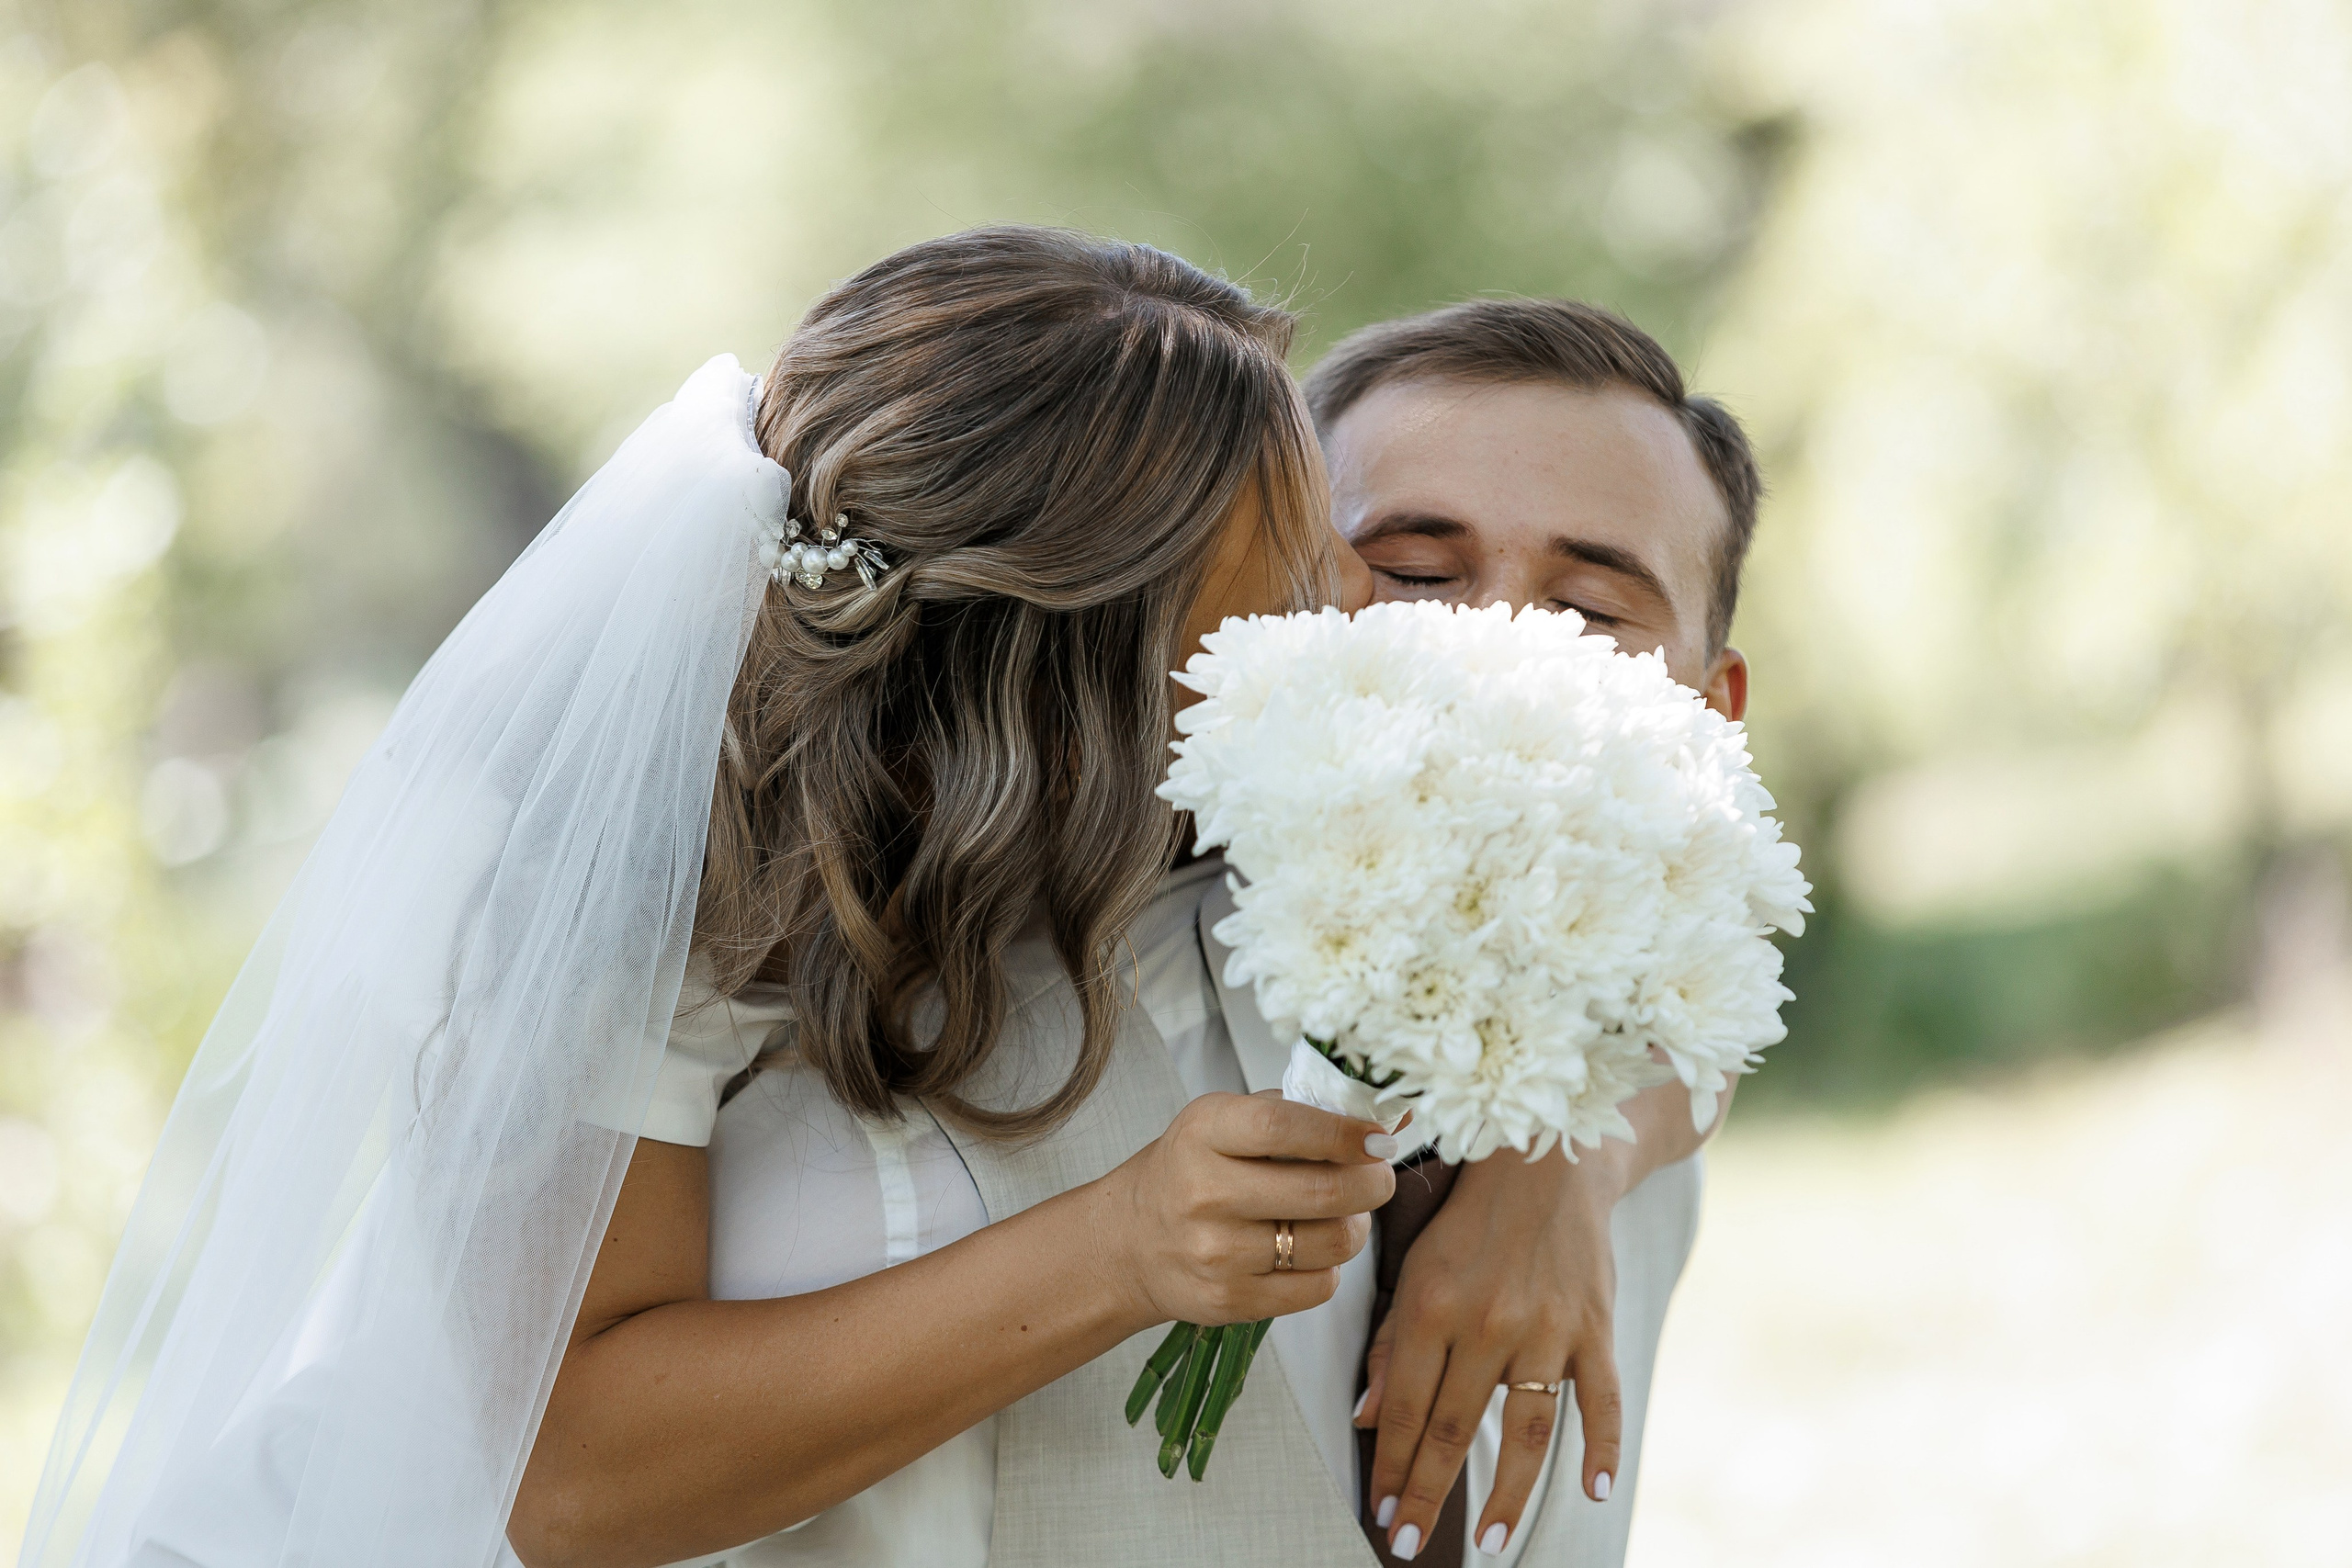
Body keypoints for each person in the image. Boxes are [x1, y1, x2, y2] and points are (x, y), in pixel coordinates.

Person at [21, 228, 1397, 1568]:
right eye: (1280, 578)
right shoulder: (627, 868)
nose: (1348, 596)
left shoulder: (1184, 835)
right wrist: (1123, 1245)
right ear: (1059, 673)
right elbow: (571, 1489)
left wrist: (1548, 1191)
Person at [1292, 297, 1769, 1566]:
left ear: (1710, 708)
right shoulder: (1099, 961)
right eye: (1416, 575)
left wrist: (1574, 1152)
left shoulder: (1663, 1004)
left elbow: (1706, 1038)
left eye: (1594, 607)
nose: (1496, 642)